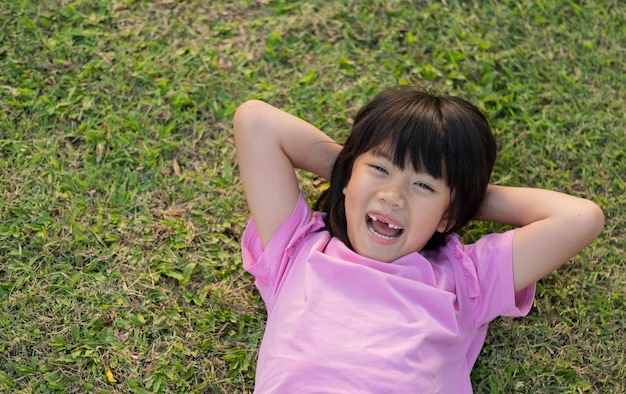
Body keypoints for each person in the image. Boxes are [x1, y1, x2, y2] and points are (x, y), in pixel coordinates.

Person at [233, 86, 604, 393]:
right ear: (346, 178)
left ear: (449, 215)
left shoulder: (464, 281)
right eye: (378, 169)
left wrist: (464, 200)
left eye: (423, 185)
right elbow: (255, 121)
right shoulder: (298, 251)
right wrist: (350, 169)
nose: (393, 196)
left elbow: (580, 218)